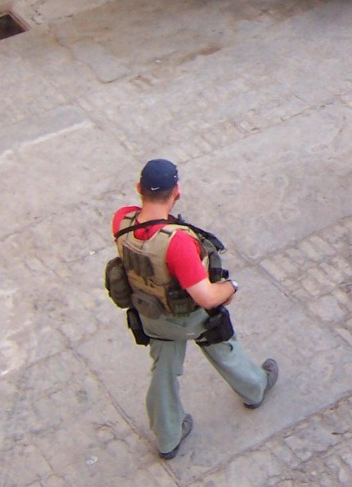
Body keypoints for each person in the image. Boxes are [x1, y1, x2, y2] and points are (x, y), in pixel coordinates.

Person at [112, 159, 278, 459]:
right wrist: (231, 287)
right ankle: (255, 388)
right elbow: (206, 297)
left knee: (163, 371)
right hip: (188, 318)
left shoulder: (121, 221)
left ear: (139, 189)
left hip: (151, 317)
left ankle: (167, 437)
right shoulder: (177, 243)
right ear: (177, 191)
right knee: (223, 345)